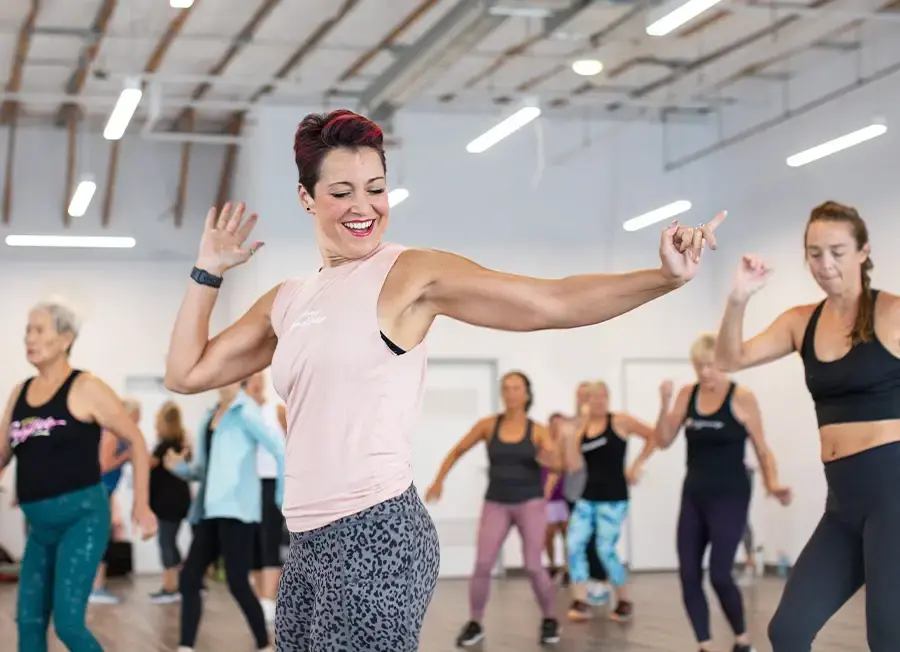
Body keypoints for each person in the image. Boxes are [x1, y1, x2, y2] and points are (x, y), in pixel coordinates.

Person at [162, 108, 726, 652]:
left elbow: (548, 301)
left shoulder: (409, 273)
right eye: (342, 193)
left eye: (376, 188)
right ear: (307, 198)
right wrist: (207, 271)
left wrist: (661, 279)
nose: (364, 207)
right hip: (307, 542)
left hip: (376, 533)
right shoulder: (286, 301)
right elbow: (186, 373)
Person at [715, 200, 900, 652]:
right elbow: (728, 359)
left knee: (888, 635)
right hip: (843, 505)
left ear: (863, 252)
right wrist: (738, 296)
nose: (826, 264)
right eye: (815, 253)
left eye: (837, 251)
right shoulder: (801, 322)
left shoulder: (893, 314)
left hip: (894, 497)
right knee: (789, 631)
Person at [0, 301, 156, 652]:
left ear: (66, 338)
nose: (30, 337)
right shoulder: (19, 392)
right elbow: (2, 453)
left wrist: (142, 505)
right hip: (39, 527)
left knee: (68, 625)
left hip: (82, 520)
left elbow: (135, 438)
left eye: (39, 330)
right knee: (28, 621)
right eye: (28, 329)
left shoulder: (85, 387)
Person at [657, 332, 792, 652]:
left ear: (724, 364)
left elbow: (762, 448)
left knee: (720, 573)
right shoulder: (687, 395)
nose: (704, 372)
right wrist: (664, 403)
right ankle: (704, 644)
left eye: (711, 365)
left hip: (730, 495)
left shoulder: (741, 396)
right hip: (694, 495)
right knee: (689, 574)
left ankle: (742, 639)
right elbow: (663, 440)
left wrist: (772, 483)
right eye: (698, 366)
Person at [425, 371, 561, 647]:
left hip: (530, 502)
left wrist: (551, 463)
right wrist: (439, 480)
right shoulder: (488, 425)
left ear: (526, 394)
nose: (511, 393)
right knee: (483, 563)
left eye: (517, 388)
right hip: (496, 501)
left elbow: (557, 465)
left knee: (534, 566)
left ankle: (549, 618)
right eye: (507, 388)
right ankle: (475, 622)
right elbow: (457, 450)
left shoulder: (538, 430)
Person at [164, 382, 286, 652]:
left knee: (237, 581)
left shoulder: (246, 411)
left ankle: (265, 642)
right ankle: (185, 646)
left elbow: (279, 449)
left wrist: (281, 498)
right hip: (209, 511)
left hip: (237, 511)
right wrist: (180, 469)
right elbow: (203, 471)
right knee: (189, 578)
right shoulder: (210, 415)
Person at [563, 381, 659, 623]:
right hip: (588, 497)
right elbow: (574, 464)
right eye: (593, 397)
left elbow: (654, 436)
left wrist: (637, 465)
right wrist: (574, 431)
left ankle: (624, 600)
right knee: (574, 544)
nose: (598, 401)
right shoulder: (582, 428)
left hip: (613, 498)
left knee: (605, 549)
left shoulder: (620, 421)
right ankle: (581, 600)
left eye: (603, 396)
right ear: (586, 401)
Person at [244, 371, 288, 624]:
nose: (256, 386)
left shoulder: (276, 411)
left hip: (273, 482)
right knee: (254, 541)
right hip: (250, 483)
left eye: (259, 381)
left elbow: (290, 443)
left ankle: (269, 599)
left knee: (270, 538)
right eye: (251, 382)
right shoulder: (242, 414)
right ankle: (261, 598)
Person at [561, 382, 609, 600]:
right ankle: (584, 582)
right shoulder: (570, 425)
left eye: (587, 397)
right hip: (573, 491)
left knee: (595, 539)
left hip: (598, 492)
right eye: (580, 396)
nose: (583, 401)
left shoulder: (601, 425)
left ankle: (600, 580)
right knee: (577, 540)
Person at [89, 398, 139, 605]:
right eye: (137, 415)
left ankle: (97, 586)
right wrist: (127, 455)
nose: (138, 420)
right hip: (99, 490)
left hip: (105, 491)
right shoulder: (111, 432)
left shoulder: (118, 434)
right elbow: (103, 464)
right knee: (101, 538)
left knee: (103, 537)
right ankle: (96, 588)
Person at [148, 400, 192, 603]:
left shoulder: (165, 445)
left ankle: (170, 587)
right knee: (170, 542)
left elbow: (149, 464)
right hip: (176, 501)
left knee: (165, 542)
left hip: (169, 502)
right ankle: (185, 582)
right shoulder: (178, 443)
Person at [543, 412, 569, 580]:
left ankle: (568, 568)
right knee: (549, 534)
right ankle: (552, 565)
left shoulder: (569, 446)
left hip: (566, 497)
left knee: (568, 534)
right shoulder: (543, 446)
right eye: (555, 424)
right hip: (549, 499)